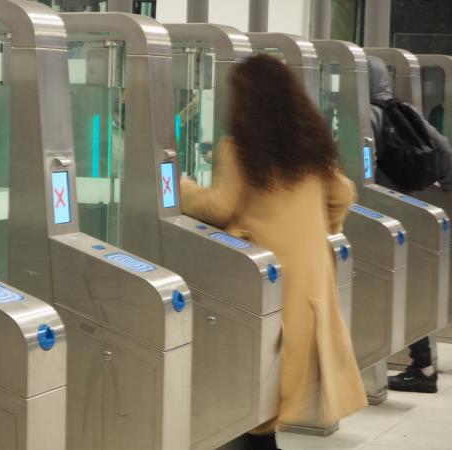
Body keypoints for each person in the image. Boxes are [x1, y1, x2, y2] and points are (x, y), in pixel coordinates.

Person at [180, 55, 367, 450]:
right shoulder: (308, 146)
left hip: (258, 281)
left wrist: (177, 187)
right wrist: (322, 231)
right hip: (306, 283)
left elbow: (219, 207)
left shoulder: (241, 148)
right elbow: (343, 193)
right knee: (264, 399)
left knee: (246, 396)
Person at [368, 55, 452, 394]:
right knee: (412, 288)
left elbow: (359, 170)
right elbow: (443, 149)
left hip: (376, 213)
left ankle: (420, 365)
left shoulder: (366, 116)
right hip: (410, 208)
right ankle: (424, 363)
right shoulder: (405, 111)